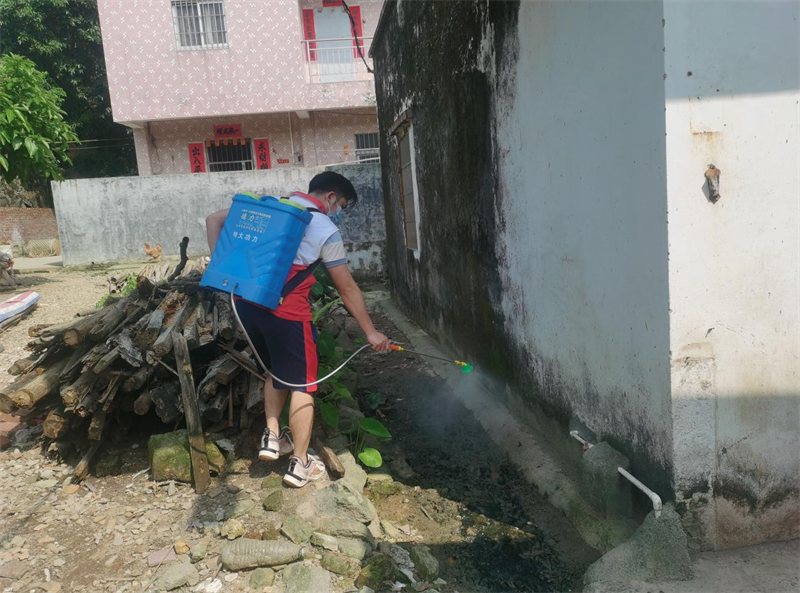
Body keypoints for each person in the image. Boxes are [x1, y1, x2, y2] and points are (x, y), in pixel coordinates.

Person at [205, 171, 390, 488]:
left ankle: (272, 436)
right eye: (340, 205)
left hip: (246, 304)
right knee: (303, 385)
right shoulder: (326, 229)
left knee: (274, 370)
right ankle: (300, 464)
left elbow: (213, 220)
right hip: (287, 312)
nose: (337, 212)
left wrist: (221, 267)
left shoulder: (274, 206)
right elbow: (346, 288)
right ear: (330, 197)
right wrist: (371, 333)